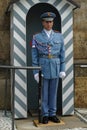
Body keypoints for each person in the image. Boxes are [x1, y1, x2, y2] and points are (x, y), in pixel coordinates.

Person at [32, 12, 66, 124]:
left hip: (55, 66)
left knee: (53, 92)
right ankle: (45, 114)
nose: (49, 24)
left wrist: (62, 69)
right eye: (46, 22)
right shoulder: (36, 37)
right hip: (43, 66)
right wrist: (35, 72)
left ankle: (52, 114)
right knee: (44, 92)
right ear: (43, 22)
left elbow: (62, 54)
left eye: (50, 21)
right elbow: (34, 56)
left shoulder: (59, 36)